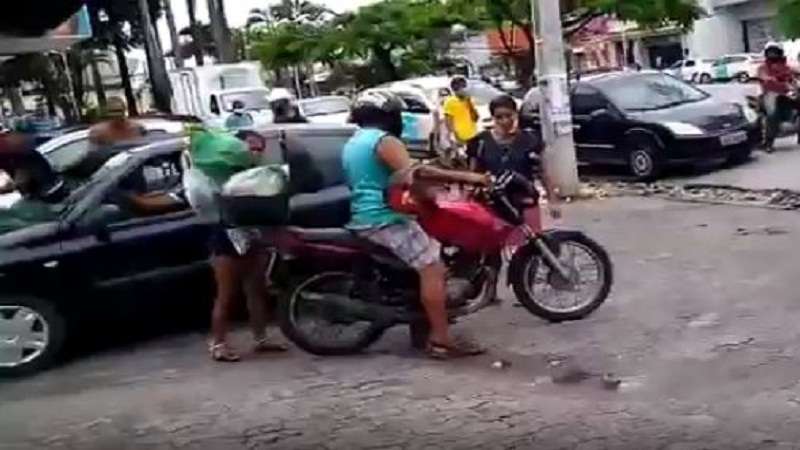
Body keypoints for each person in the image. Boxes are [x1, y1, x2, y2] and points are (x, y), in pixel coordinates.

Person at [343, 91, 488, 359]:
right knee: (433, 268)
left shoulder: (355, 141)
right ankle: (442, 339)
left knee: (423, 262)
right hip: (385, 219)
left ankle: (423, 329)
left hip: (366, 215)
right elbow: (417, 173)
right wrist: (468, 177)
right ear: (387, 116)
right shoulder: (383, 141)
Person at [204, 129, 287, 362]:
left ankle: (261, 338)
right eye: (250, 147)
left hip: (252, 236)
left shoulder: (259, 175)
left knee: (256, 290)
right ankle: (219, 343)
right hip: (226, 239)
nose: (255, 152)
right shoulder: (222, 173)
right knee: (226, 294)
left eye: (259, 148)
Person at [466, 95, 561, 241]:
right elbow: (471, 176)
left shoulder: (530, 140)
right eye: (499, 117)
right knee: (496, 248)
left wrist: (552, 201)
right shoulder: (480, 142)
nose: (505, 121)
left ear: (515, 114)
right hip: (493, 205)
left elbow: (543, 172)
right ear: (493, 118)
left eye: (508, 115)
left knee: (531, 248)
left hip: (525, 201)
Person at [757, 42, 800, 152]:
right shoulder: (763, 67)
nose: (773, 54)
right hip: (770, 93)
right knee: (772, 113)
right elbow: (762, 74)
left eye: (775, 52)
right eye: (771, 52)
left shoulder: (785, 66)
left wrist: (794, 78)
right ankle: (768, 143)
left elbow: (792, 74)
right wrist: (768, 78)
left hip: (786, 93)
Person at [443, 76, 479, 149]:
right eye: (462, 87)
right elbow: (448, 122)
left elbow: (476, 118)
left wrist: (469, 104)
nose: (464, 89)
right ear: (455, 89)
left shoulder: (468, 100)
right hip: (460, 138)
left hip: (473, 135)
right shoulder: (450, 102)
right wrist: (455, 137)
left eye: (465, 87)